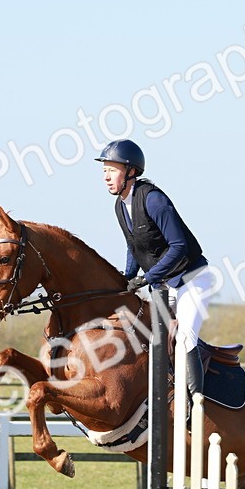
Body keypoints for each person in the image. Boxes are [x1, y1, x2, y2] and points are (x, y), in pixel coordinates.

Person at [95, 139, 216, 404]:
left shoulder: (154, 200)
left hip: (191, 280)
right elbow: (134, 246)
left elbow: (179, 246)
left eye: (111, 170)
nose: (106, 176)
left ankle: (196, 405)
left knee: (184, 339)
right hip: (163, 288)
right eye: (104, 170)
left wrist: (147, 277)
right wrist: (127, 277)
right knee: (145, 339)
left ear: (130, 171)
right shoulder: (120, 206)